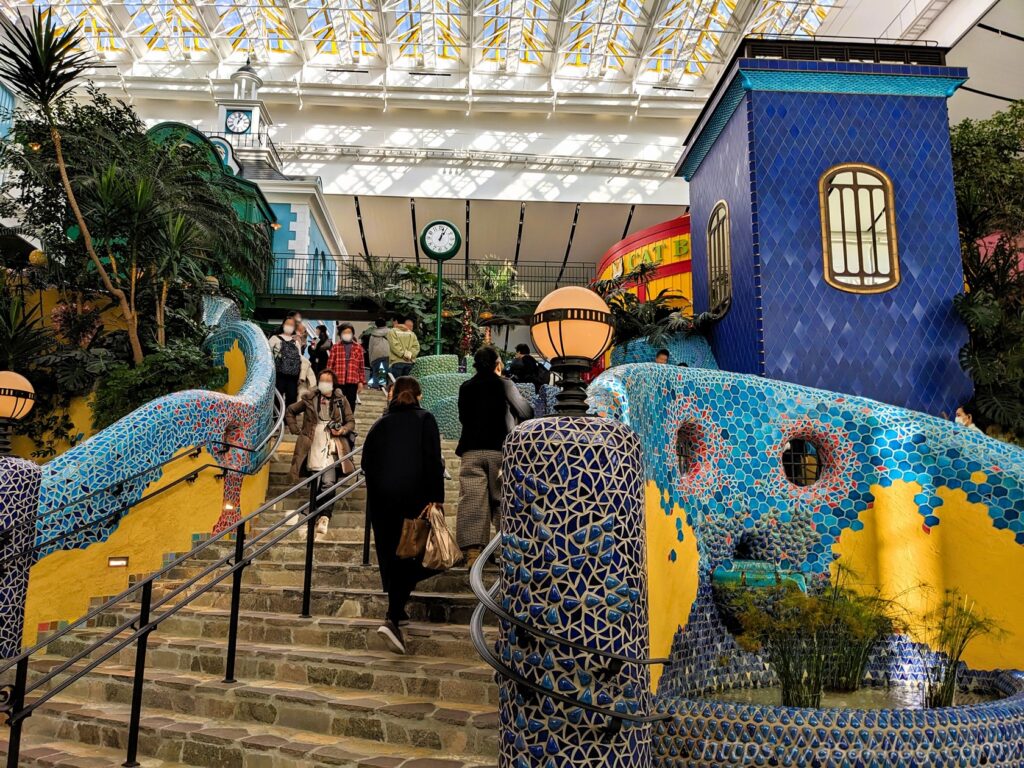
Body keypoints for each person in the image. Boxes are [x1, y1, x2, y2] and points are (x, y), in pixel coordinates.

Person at [361, 376, 445, 654]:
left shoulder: (380, 424)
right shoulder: (425, 420)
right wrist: (436, 499)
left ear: (393, 394)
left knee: (392, 557)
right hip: (415, 502)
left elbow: (366, 463)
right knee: (412, 556)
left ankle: (397, 612)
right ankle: (393, 617)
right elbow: (433, 461)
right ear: (419, 395)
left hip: (382, 503)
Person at [455, 346, 533, 567]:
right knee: (502, 500)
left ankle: (473, 553)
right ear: (496, 364)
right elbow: (526, 412)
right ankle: (506, 550)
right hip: (501, 450)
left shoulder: (466, 387)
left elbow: (463, 417)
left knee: (472, 499)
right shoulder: (504, 384)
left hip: (471, 450)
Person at [286, 370, 356, 539]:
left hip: (333, 445)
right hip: (313, 443)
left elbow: (351, 421)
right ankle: (314, 514)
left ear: (333, 383)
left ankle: (324, 517)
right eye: (322, 380)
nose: (324, 383)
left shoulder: (341, 400)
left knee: (329, 482)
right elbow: (290, 410)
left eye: (328, 380)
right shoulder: (310, 398)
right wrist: (295, 429)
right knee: (316, 481)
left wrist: (343, 430)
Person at [326, 323, 366, 412]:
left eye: (349, 332)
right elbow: (329, 365)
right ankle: (337, 419)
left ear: (353, 334)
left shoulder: (358, 347)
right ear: (340, 334)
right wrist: (328, 379)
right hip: (338, 380)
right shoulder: (335, 347)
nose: (347, 334)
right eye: (344, 332)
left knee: (351, 403)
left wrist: (361, 382)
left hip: (352, 381)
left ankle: (349, 419)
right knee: (337, 403)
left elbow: (361, 366)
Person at [269, 316, 304, 407]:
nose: (289, 326)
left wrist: (300, 376)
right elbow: (267, 356)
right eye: (287, 323)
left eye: (291, 324)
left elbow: (300, 359)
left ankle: (288, 416)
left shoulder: (296, 342)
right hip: (279, 375)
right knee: (277, 400)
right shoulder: (274, 338)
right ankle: (278, 416)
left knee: (291, 401)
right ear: (283, 325)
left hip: (292, 376)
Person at [366, 318, 391, 390]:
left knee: (376, 372)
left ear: (376, 325)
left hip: (375, 356)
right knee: (384, 372)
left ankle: (375, 387)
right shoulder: (390, 332)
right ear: (385, 324)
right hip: (387, 354)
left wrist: (371, 361)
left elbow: (370, 348)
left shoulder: (373, 335)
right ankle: (383, 387)